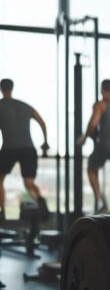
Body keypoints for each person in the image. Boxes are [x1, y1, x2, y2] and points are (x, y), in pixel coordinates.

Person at [0, 78, 50, 220]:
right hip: (28, 149)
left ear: (1, 89)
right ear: (12, 88)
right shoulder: (25, 106)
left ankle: (2, 212)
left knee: (0, 180)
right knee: (29, 183)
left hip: (9, 148)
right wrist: (45, 143)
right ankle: (42, 204)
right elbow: (42, 122)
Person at [78, 79, 110, 213]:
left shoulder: (100, 105)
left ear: (102, 89)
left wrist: (84, 138)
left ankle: (100, 202)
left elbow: (93, 124)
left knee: (91, 168)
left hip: (106, 143)